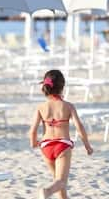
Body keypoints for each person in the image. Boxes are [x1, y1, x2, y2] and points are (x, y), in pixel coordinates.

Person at [29, 70, 93, 199]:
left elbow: (33, 130)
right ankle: (46, 191)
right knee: (61, 181)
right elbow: (79, 127)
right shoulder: (68, 106)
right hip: (62, 146)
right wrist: (87, 145)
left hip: (46, 146)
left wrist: (33, 142)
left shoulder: (41, 107)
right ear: (62, 87)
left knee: (58, 182)